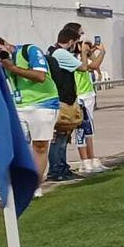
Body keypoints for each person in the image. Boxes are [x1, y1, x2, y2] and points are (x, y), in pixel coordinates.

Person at [0, 34, 57, 197]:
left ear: (6, 44)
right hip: (19, 106)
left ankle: (34, 187)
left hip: (43, 103)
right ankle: (8, 187)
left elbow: (40, 76)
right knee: (13, 146)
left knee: (40, 146)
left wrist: (12, 68)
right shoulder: (0, 64)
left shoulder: (29, 51)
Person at [68, 22, 108, 174]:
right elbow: (92, 65)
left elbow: (93, 63)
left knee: (89, 130)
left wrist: (91, 51)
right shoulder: (72, 56)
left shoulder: (82, 52)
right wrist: (102, 52)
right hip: (80, 95)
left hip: (87, 93)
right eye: (80, 33)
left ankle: (92, 159)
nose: (83, 36)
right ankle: (84, 161)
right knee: (81, 130)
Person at [45, 27, 83, 182]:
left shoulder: (52, 51)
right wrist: (84, 52)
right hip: (62, 100)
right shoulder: (60, 53)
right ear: (71, 41)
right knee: (59, 138)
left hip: (62, 99)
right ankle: (56, 170)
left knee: (62, 137)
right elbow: (84, 67)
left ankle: (61, 167)